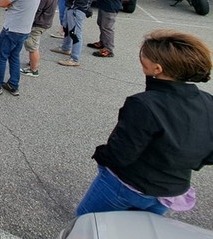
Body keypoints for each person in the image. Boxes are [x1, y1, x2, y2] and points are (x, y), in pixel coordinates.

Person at [76, 30, 213, 216]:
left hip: (128, 185)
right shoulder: (207, 101)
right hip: (172, 190)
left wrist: (101, 154)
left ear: (157, 69)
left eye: (144, 56)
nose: (141, 59)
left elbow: (121, 154)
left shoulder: (144, 104)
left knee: (87, 222)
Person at [50, 0, 95, 67]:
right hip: (70, 7)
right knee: (66, 27)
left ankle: (75, 59)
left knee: (75, 33)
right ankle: (65, 48)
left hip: (77, 9)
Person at [20, 0, 60, 77]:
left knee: (32, 46)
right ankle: (33, 62)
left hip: (39, 23)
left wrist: (28, 22)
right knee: (33, 45)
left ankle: (33, 69)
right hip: (45, 22)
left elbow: (37, 10)